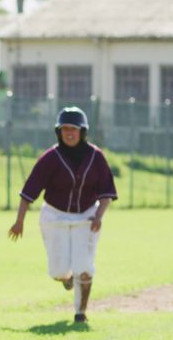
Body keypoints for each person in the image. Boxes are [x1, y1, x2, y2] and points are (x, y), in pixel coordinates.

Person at [8, 106, 118, 324]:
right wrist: (20, 221)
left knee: (84, 267)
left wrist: (99, 216)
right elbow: (29, 191)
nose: (69, 133)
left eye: (74, 129)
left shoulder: (95, 157)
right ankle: (66, 279)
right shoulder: (50, 158)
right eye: (65, 129)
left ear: (83, 132)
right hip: (55, 217)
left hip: (86, 217)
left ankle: (80, 313)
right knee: (58, 271)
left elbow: (107, 192)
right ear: (58, 132)